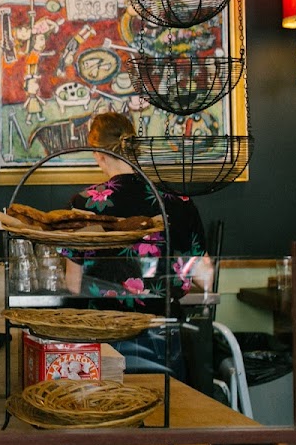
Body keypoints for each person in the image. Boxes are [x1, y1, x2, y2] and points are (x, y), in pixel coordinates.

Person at [64, 111, 211, 303]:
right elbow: (205, 277)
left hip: (104, 324)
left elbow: (73, 285)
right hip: (163, 323)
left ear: (99, 155)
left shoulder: (81, 204)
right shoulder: (178, 201)